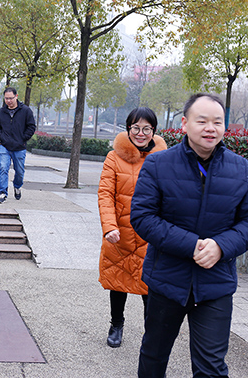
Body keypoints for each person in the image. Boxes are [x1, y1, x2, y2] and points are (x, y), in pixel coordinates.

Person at [131, 93, 248, 377]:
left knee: (212, 366)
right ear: (184, 123)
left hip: (215, 284)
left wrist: (221, 246)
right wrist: (191, 245)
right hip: (167, 279)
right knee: (154, 355)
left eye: (217, 122)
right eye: (202, 121)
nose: (210, 128)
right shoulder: (158, 165)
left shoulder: (239, 168)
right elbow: (143, 217)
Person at [97, 107, 167, 348]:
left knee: (151, 287)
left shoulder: (163, 160)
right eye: (136, 128)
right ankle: (116, 324)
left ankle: (152, 333)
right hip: (121, 233)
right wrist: (109, 227)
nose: (141, 133)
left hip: (151, 234)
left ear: (154, 131)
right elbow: (105, 194)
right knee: (119, 282)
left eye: (147, 128)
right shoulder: (113, 157)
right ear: (128, 129)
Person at [0, 87, 36, 204]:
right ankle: (2, 193)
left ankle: (17, 186)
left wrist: (23, 138)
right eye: (6, 98)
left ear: (16, 96)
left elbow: (31, 126)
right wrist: (2, 138)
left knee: (19, 171)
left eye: (11, 98)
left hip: (19, 147)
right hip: (5, 146)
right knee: (3, 168)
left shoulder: (26, 111)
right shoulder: (1, 112)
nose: (9, 101)